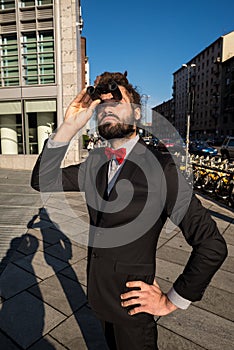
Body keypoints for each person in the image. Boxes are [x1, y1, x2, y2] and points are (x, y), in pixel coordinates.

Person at [31, 71, 227, 350]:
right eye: (102, 105)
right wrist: (68, 128)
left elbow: (211, 245)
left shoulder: (163, 169)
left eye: (116, 102)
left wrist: (172, 300)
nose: (107, 108)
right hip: (99, 298)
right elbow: (42, 180)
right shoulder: (95, 164)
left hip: (133, 310)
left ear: (136, 114)